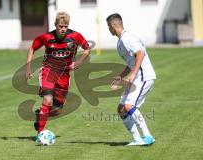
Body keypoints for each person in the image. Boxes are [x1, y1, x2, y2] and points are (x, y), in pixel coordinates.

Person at [25, 12, 91, 143]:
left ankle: (40, 116)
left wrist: (78, 62)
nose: (63, 29)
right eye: (60, 26)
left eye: (65, 26)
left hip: (64, 75)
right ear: (55, 25)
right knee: (48, 100)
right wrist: (28, 67)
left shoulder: (75, 36)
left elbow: (87, 49)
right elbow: (32, 48)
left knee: (57, 110)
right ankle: (40, 134)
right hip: (48, 72)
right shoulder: (47, 37)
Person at [106, 13, 156, 146]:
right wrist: (120, 76)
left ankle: (147, 136)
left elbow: (140, 54)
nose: (108, 29)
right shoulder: (121, 40)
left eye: (108, 27)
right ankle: (137, 139)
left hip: (144, 76)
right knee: (121, 108)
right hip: (137, 76)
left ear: (112, 26)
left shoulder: (126, 38)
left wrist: (133, 74)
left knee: (129, 106)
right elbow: (131, 61)